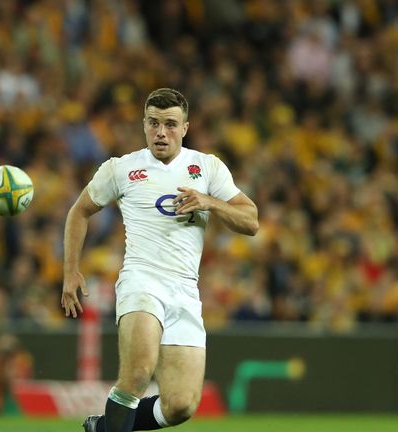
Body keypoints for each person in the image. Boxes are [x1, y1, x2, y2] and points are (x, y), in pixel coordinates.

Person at [61, 88, 258, 432]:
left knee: (180, 405)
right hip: (141, 280)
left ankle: (106, 427)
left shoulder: (207, 168)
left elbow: (251, 220)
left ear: (185, 127)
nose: (161, 132)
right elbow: (79, 211)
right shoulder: (122, 169)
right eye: (153, 123)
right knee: (137, 373)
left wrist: (210, 202)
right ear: (144, 125)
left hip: (184, 290)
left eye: (169, 124)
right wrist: (70, 270)